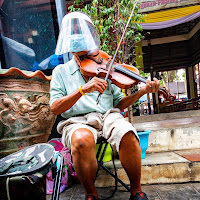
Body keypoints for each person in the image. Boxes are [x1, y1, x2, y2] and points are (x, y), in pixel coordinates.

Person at [50, 11, 160, 200]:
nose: (78, 38)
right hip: (76, 121)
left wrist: (141, 92)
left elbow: (119, 103)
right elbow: (55, 108)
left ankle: (136, 190)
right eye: (74, 34)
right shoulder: (60, 71)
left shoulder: (106, 65)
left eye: (83, 33)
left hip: (108, 116)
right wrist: (82, 90)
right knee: (82, 140)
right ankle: (91, 193)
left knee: (128, 134)